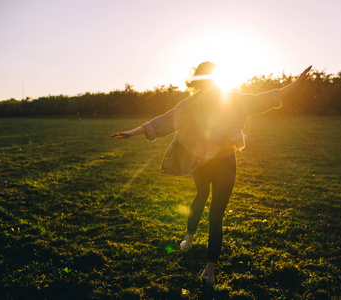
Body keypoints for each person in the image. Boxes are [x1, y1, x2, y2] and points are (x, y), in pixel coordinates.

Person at [111, 62, 311, 286]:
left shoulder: (193, 103)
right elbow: (265, 97)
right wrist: (295, 84)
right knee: (216, 215)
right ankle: (209, 270)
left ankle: (188, 239)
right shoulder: (231, 98)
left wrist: (134, 131)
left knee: (201, 195)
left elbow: (165, 120)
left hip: (203, 161)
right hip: (225, 161)